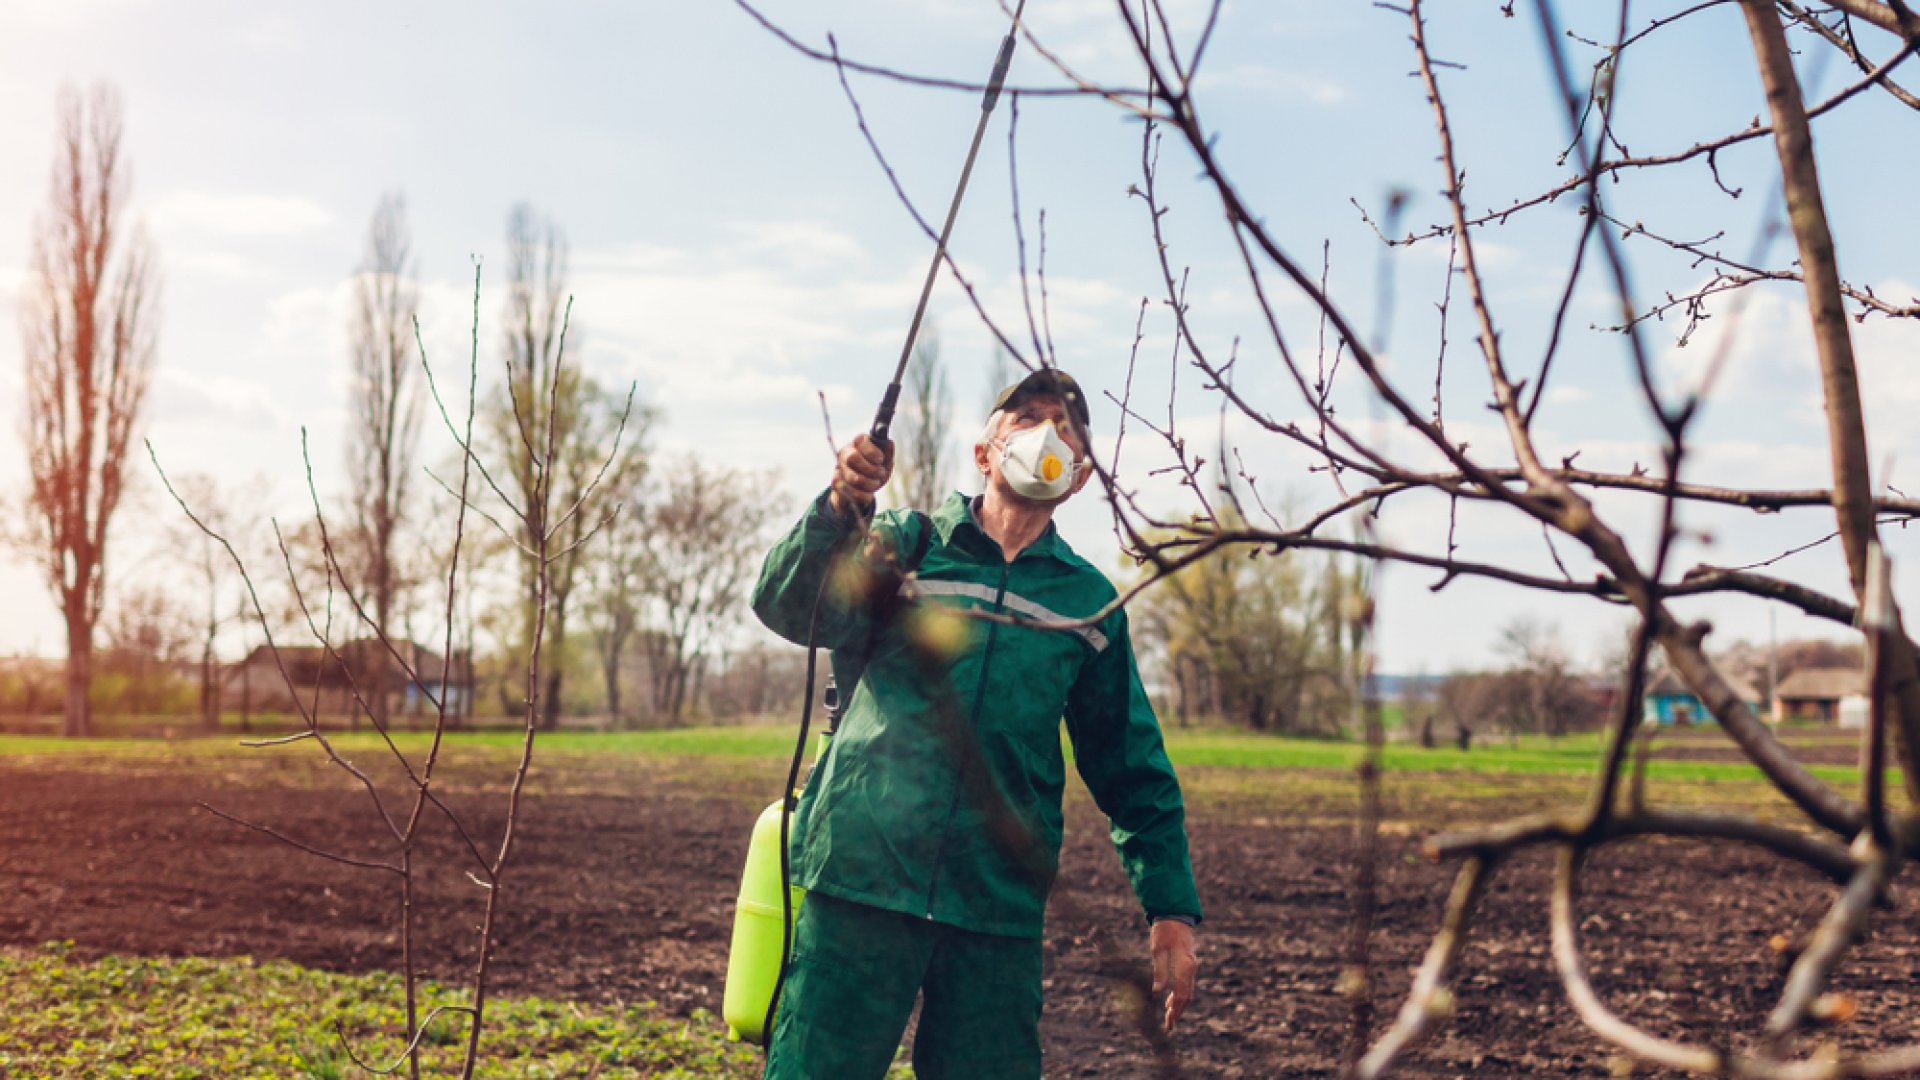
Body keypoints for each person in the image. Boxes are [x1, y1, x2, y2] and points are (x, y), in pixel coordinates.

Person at [751, 368, 1202, 1079]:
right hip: (863, 881)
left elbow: (1130, 764)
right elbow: (785, 604)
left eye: (1067, 426)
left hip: (995, 904)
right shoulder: (905, 546)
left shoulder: (1086, 603)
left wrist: (1170, 908)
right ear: (985, 452)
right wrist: (843, 504)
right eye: (1028, 417)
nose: (1048, 435)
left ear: (1081, 474)